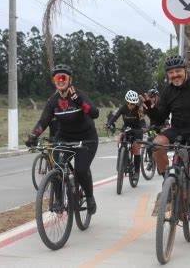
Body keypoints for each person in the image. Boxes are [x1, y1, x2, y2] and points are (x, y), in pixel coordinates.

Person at [140, 54, 190, 237]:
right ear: (167, 75)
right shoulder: (167, 91)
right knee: (157, 143)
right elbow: (160, 118)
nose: (175, 75)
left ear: (185, 71)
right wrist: (151, 110)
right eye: (171, 73)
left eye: (178, 71)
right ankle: (167, 180)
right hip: (178, 131)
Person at [25, 64, 99, 215]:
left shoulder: (79, 95)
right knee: (57, 167)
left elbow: (94, 113)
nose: (60, 80)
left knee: (80, 170)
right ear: (54, 81)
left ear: (69, 79)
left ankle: (90, 197)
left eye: (63, 77)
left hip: (86, 138)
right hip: (64, 136)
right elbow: (43, 121)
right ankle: (59, 200)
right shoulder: (53, 101)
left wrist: (79, 102)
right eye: (57, 78)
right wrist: (33, 136)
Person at [106, 90, 146, 179]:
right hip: (126, 128)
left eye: (134, 104)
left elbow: (143, 122)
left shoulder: (138, 110)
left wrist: (143, 128)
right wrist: (109, 124)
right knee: (119, 139)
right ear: (127, 102)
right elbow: (115, 116)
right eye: (130, 104)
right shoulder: (123, 108)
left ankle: (136, 172)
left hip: (137, 130)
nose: (132, 106)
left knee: (135, 148)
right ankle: (122, 158)